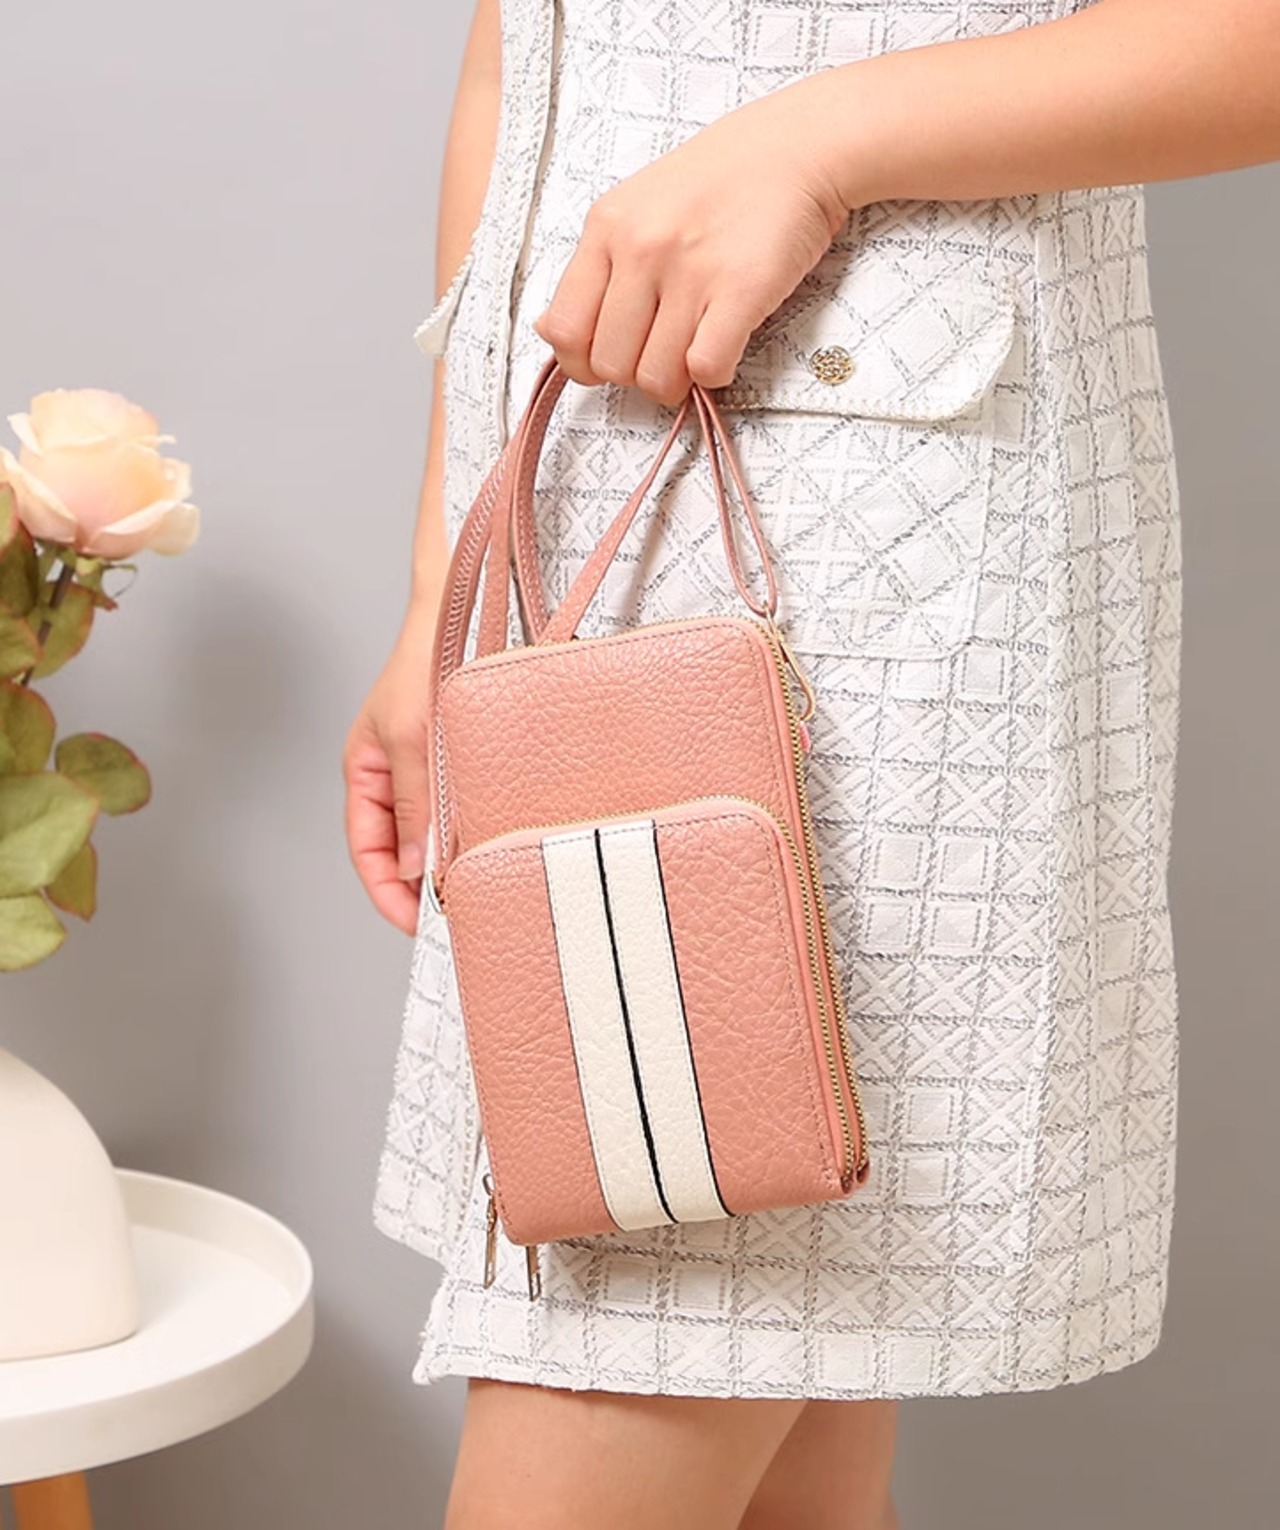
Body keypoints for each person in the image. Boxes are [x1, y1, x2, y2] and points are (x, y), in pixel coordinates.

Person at [345, 2, 1280, 1525]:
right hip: (576, 540)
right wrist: (442, 585)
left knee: (672, 1291)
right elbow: (515, 43)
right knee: (793, 1458)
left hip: (878, 592)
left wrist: (818, 143)